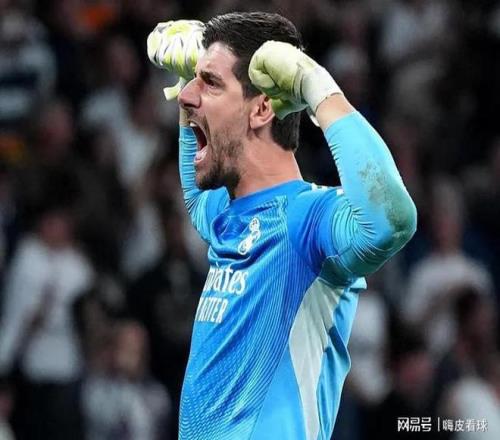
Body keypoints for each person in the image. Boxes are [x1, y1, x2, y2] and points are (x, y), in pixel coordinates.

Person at [147, 12, 417, 440]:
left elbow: (392, 221)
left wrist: (317, 87)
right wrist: (188, 77)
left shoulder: (307, 220)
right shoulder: (226, 216)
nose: (185, 97)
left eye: (210, 83)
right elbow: (197, 192)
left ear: (261, 108)